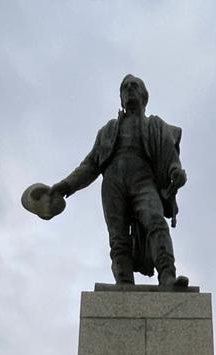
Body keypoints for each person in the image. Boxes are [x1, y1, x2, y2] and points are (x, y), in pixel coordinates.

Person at [50, 74, 189, 287]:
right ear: (121, 97)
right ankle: (123, 282)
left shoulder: (156, 126)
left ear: (144, 96)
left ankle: (167, 276)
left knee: (156, 221)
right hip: (113, 182)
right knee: (118, 236)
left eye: (134, 86)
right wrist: (66, 185)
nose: (129, 89)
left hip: (143, 180)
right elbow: (90, 165)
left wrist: (175, 172)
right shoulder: (108, 130)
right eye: (125, 87)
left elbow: (170, 157)